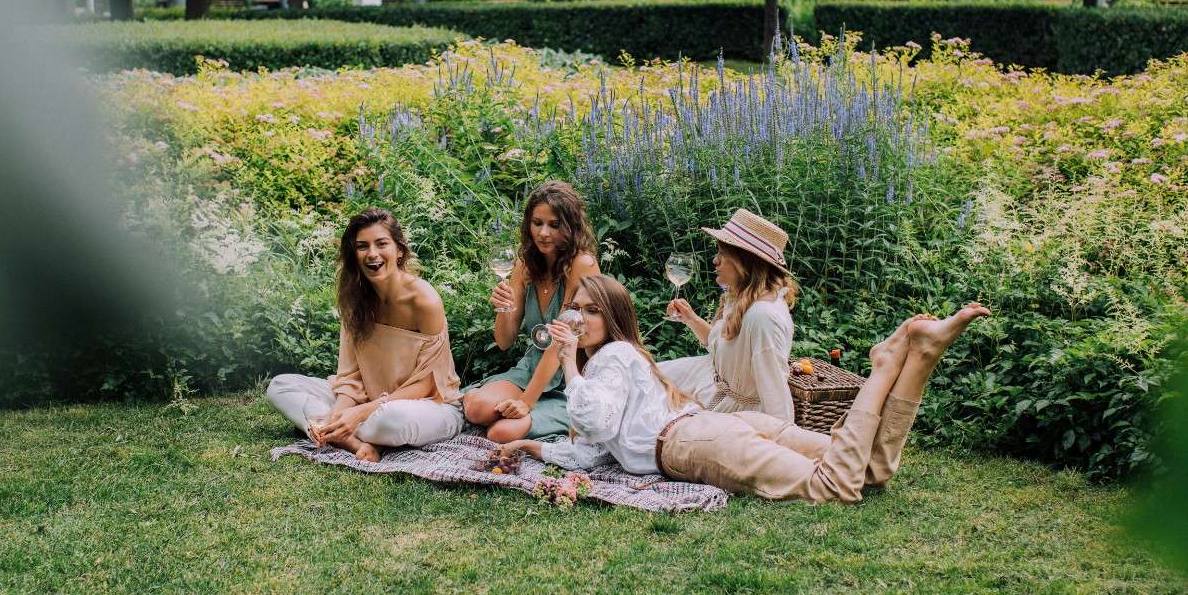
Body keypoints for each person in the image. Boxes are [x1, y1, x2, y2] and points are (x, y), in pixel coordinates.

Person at [499, 275, 990, 503]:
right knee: (870, 470)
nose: (579, 318)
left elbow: (595, 419)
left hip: (694, 444)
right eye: (576, 308)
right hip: (722, 426)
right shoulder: (620, 361)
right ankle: (920, 357)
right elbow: (595, 449)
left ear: (613, 319)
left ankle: (884, 366)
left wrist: (568, 361)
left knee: (834, 485)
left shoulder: (610, 358)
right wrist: (535, 448)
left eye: (592, 310)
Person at [266, 208, 463, 463]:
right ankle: (349, 439)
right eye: (362, 246)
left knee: (392, 420)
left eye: (381, 244)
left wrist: (360, 413)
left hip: (426, 405)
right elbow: (350, 376)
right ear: (354, 254)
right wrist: (340, 413)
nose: (372, 254)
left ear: (399, 249)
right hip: (368, 398)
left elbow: (427, 384)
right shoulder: (354, 298)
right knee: (280, 386)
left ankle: (332, 430)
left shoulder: (423, 300)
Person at [462, 181, 600, 444]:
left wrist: (526, 402)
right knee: (477, 409)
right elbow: (504, 342)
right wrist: (503, 309)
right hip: (532, 367)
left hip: (572, 374)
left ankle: (546, 411)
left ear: (571, 227)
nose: (544, 233)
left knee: (500, 433)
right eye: (537, 223)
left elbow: (560, 342)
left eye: (554, 225)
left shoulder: (582, 264)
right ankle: (491, 402)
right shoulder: (525, 265)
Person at [660, 209, 799, 424]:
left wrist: (781, 439)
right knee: (646, 376)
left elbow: (776, 398)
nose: (715, 260)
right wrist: (691, 318)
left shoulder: (762, 317)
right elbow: (727, 349)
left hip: (737, 416)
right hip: (715, 387)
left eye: (722, 254)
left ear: (744, 262)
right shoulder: (743, 298)